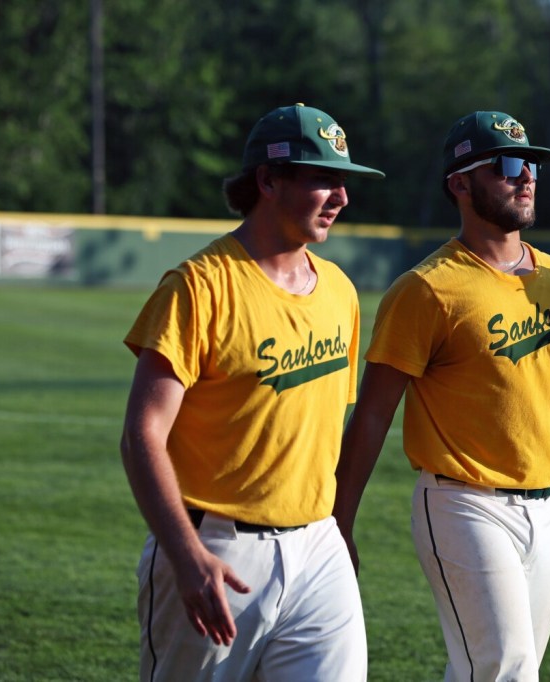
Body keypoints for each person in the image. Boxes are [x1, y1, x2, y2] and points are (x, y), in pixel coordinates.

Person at [333, 110, 550, 681]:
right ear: (460, 183)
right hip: (462, 503)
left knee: (499, 670)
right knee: (504, 668)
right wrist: (339, 527)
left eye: (534, 165)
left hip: (548, 508)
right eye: (509, 165)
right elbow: (371, 416)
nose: (527, 177)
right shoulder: (426, 290)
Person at [119, 103, 384, 681]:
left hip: (319, 547)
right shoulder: (200, 286)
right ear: (268, 180)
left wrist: (339, 530)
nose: (340, 196)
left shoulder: (340, 290)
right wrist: (187, 559)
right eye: (322, 179)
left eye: (343, 181)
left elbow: (327, 428)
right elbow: (143, 435)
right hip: (215, 548)